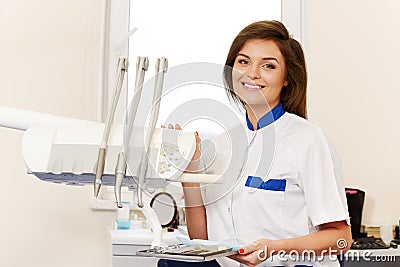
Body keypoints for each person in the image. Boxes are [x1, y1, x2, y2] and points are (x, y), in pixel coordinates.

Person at [168, 20, 351, 267]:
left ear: (287, 78)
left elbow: (341, 238)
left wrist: (275, 248)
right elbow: (201, 238)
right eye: (243, 62)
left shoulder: (308, 140)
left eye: (268, 65)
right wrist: (189, 171)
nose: (252, 73)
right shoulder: (223, 143)